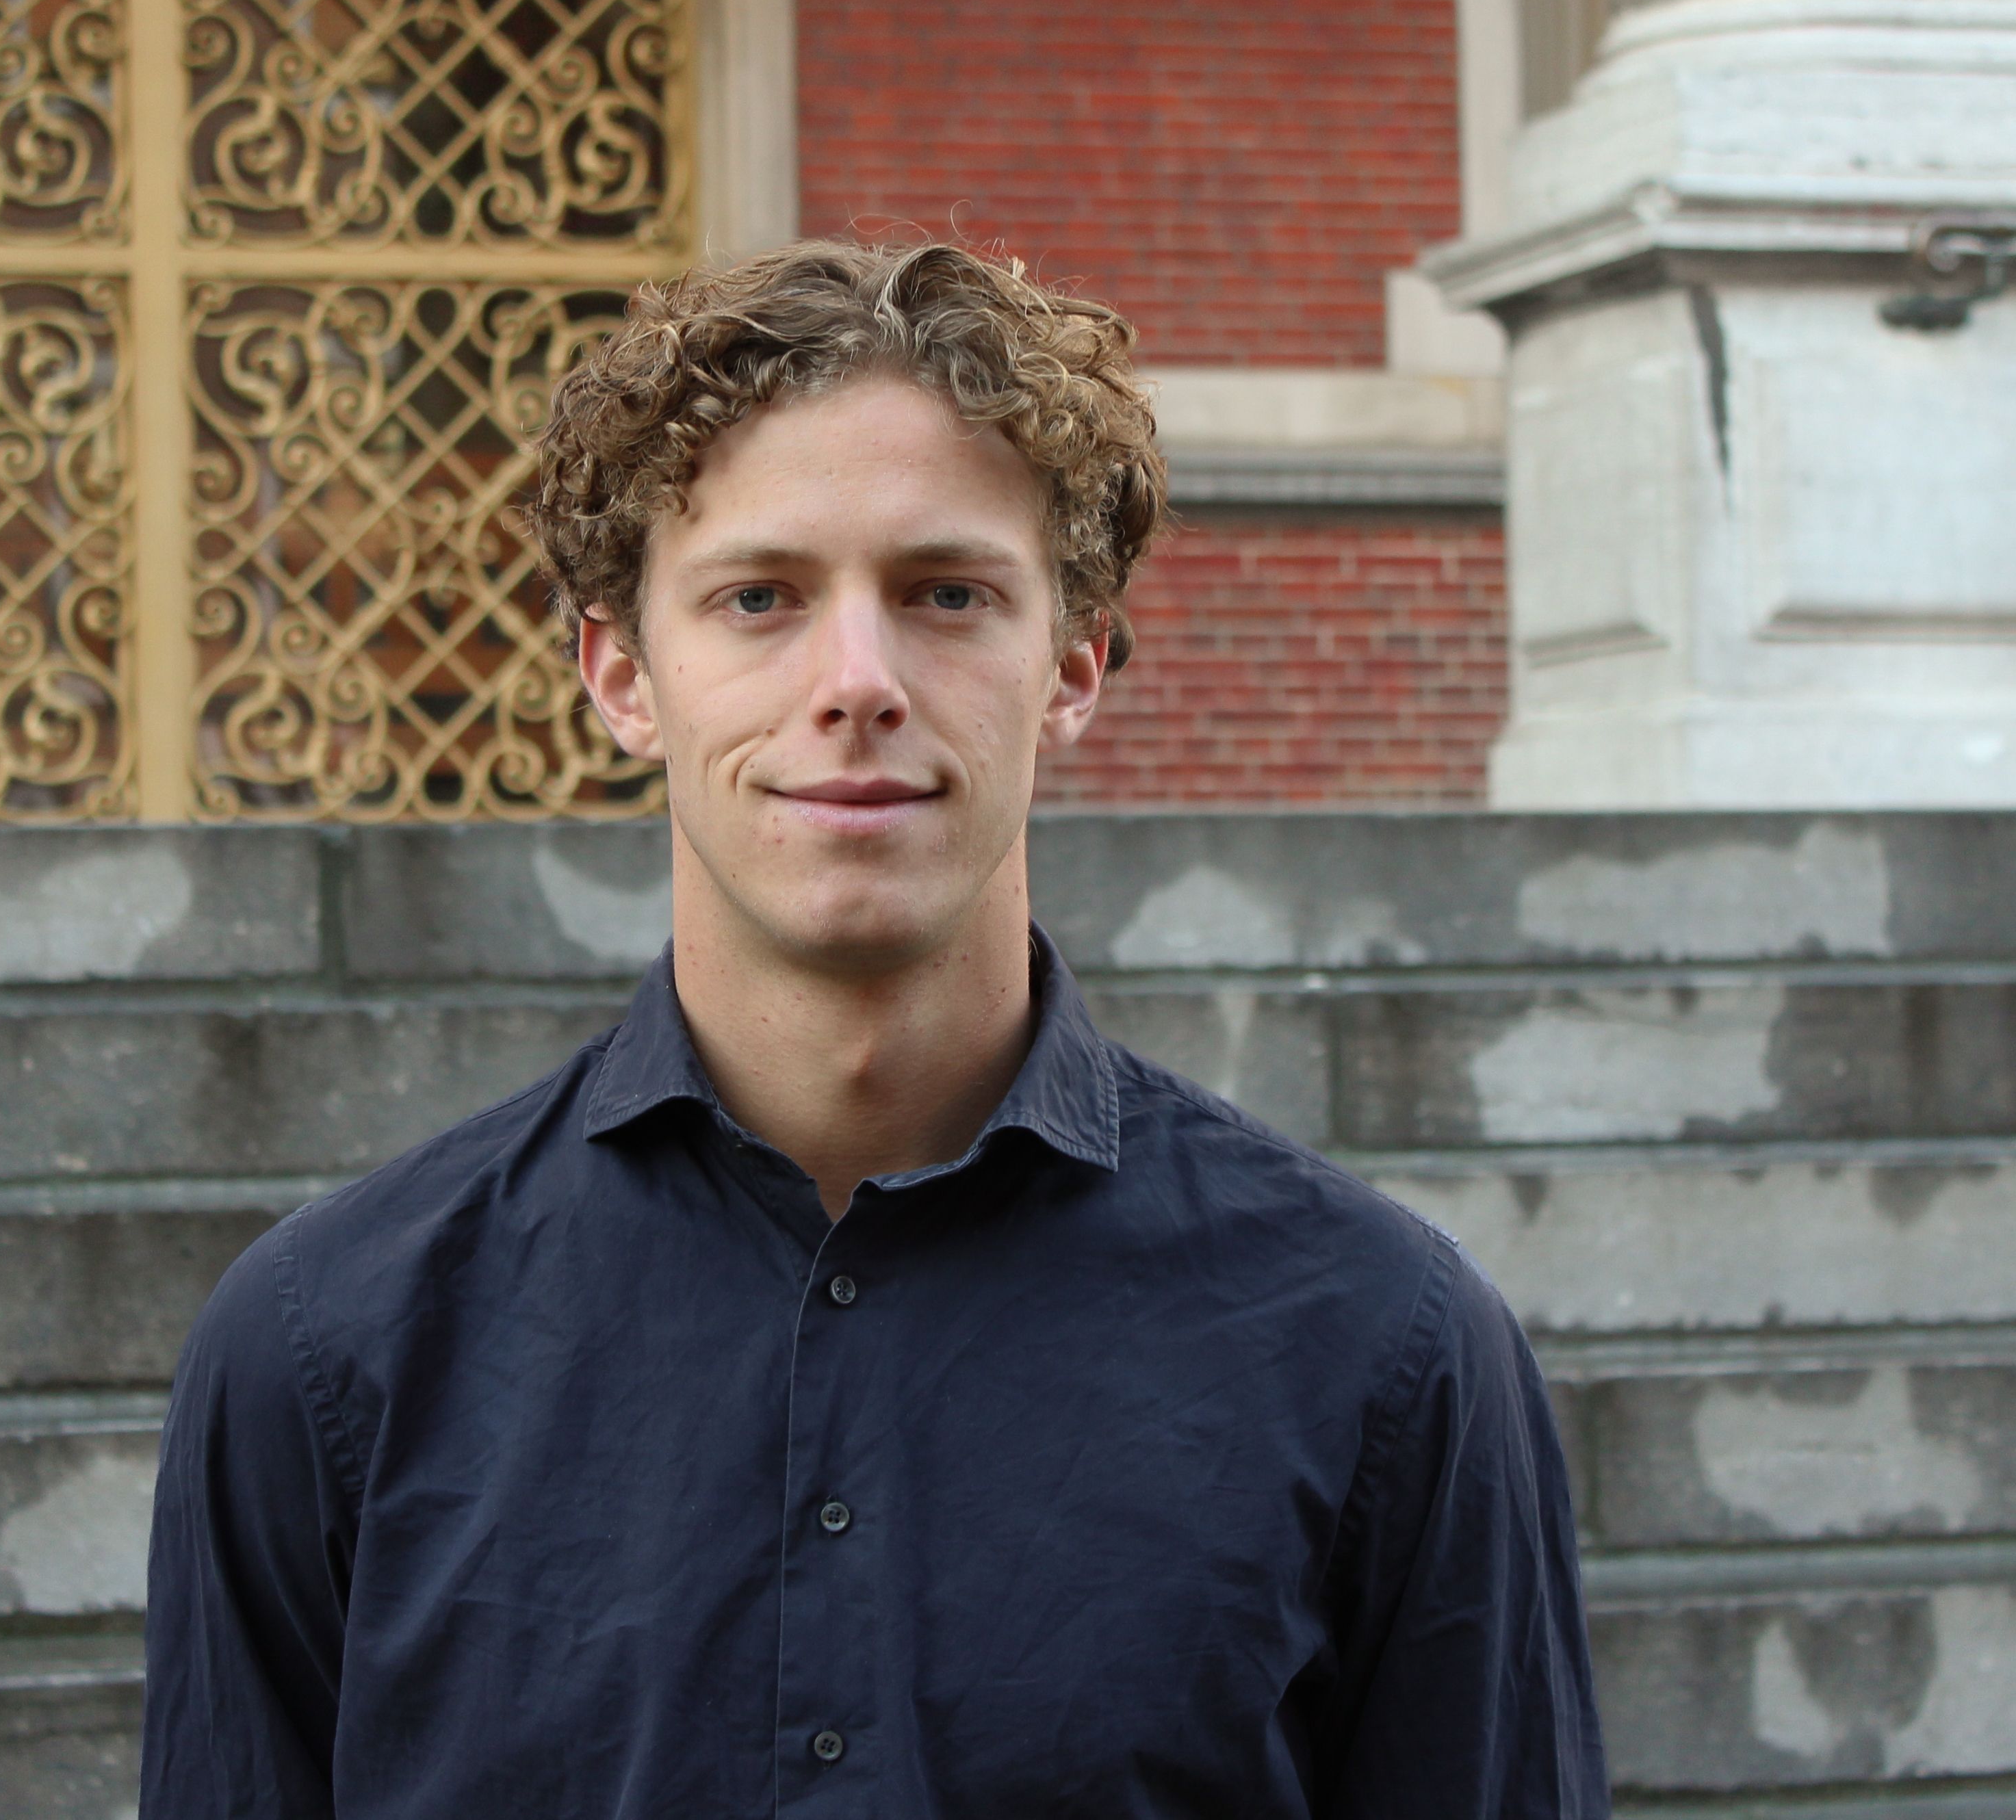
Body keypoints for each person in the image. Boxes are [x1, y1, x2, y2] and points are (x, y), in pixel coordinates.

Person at [140, 239, 1608, 1817]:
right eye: (758, 597)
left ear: (1073, 665)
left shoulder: (1385, 1349)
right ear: (623, 674)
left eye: (946, 594)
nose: (857, 682)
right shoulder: (321, 1353)